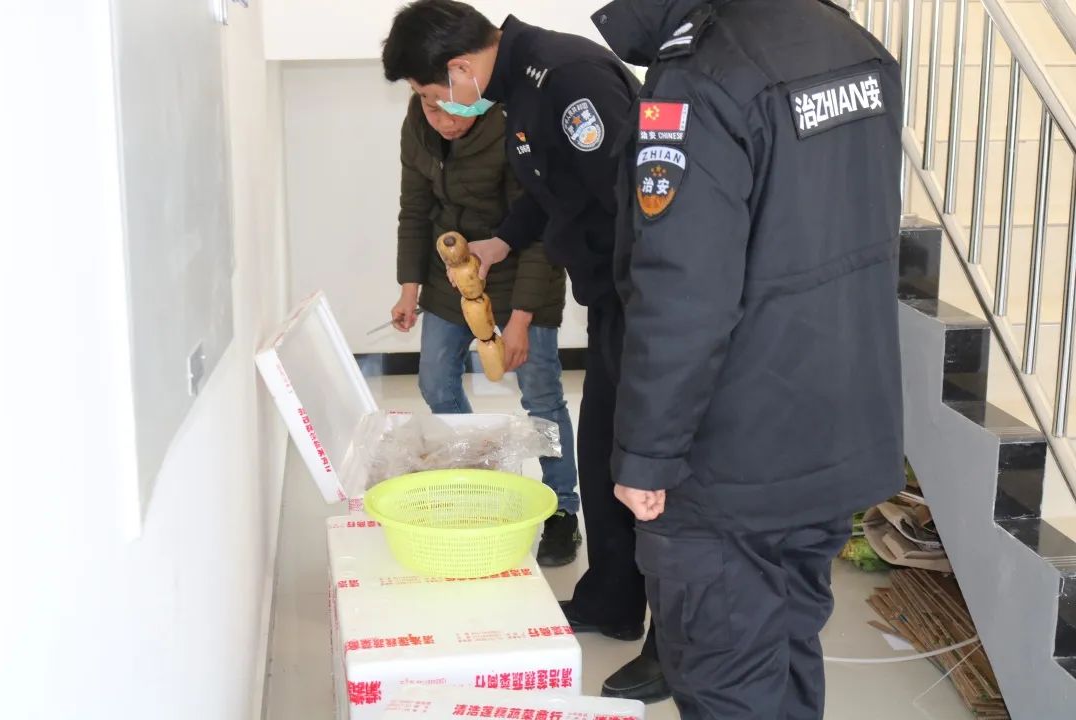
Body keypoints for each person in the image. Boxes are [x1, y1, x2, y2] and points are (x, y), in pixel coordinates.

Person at [593, 0, 905, 718]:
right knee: (788, 646)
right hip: (831, 425)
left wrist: (646, 454)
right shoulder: (849, 42)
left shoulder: (701, 73)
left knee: (727, 676)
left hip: (731, 454)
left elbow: (682, 292)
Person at [382, 1, 669, 703]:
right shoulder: (521, 85)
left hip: (650, 300)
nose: (434, 106)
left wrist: (650, 307)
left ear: (459, 68)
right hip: (613, 297)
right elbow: (553, 188)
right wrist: (502, 241)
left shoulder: (568, 80)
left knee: (654, 469)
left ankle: (678, 645)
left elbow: (643, 198)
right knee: (603, 450)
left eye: (429, 91)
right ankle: (612, 599)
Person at [388, 77, 582, 567]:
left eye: (451, 109)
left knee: (541, 396)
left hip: (522, 271)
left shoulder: (515, 124)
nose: (443, 122)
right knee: (436, 381)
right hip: (452, 274)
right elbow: (415, 210)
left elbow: (542, 228)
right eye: (430, 108)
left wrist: (521, 321)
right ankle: (482, 481)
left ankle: (563, 509)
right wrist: (409, 289)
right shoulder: (418, 125)